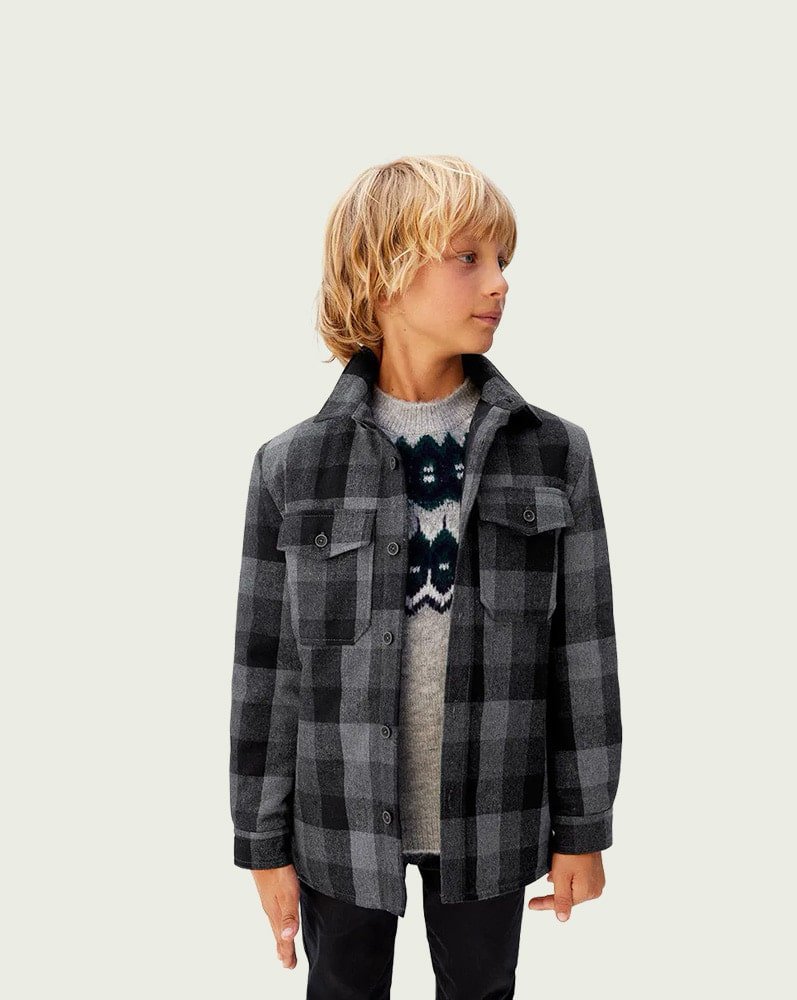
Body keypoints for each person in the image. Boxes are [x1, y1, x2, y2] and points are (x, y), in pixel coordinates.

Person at [229, 154, 623, 999]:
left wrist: (584, 825)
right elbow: (267, 671)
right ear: (385, 271)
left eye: (503, 261)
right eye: (469, 258)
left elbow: (584, 654)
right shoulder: (291, 466)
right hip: (337, 819)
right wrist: (261, 846)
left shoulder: (554, 453)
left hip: (494, 813)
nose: (499, 282)